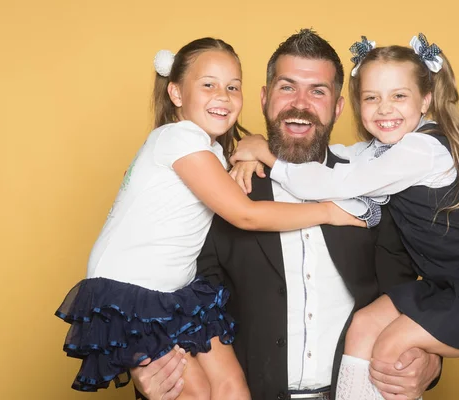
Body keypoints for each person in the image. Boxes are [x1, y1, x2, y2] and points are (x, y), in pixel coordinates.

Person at [136, 29, 442, 400]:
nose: (301, 103)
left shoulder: (377, 184)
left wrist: (429, 360)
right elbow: (172, 292)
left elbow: (408, 295)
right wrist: (150, 366)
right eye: (287, 87)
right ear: (264, 98)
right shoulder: (220, 188)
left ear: (339, 106)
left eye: (318, 91)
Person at [54, 37, 364, 400]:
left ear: (339, 106)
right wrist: (330, 210)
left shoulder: (217, 154)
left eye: (233, 87)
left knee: (232, 388)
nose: (223, 95)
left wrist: (254, 152)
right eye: (208, 85)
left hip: (177, 292)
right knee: (195, 392)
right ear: (176, 93)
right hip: (132, 291)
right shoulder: (178, 138)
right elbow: (245, 214)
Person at [230, 33, 459, 399]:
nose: (385, 109)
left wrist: (267, 154)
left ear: (425, 100)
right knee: (364, 325)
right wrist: (254, 153)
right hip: (444, 283)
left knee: (389, 352)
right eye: (372, 98)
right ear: (357, 105)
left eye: (399, 96)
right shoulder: (384, 152)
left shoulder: (421, 150)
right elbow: (342, 157)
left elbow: (340, 179)